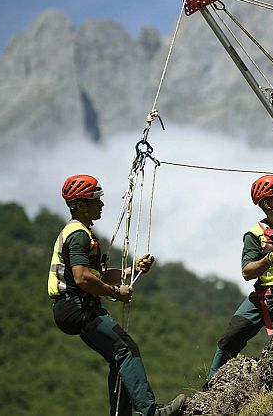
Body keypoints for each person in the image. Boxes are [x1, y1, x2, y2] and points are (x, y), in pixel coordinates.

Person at [49, 174, 186, 416]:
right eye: (96, 200)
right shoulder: (79, 235)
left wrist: (130, 271)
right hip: (78, 306)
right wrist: (116, 292)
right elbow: (82, 278)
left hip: (70, 307)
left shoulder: (76, 232)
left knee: (118, 358)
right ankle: (150, 412)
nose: (101, 204)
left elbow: (96, 275)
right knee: (126, 349)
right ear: (80, 205)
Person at [206, 175, 273, 382]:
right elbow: (247, 272)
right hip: (264, 295)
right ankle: (210, 383)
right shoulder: (255, 235)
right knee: (232, 335)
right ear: (267, 204)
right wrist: (268, 260)